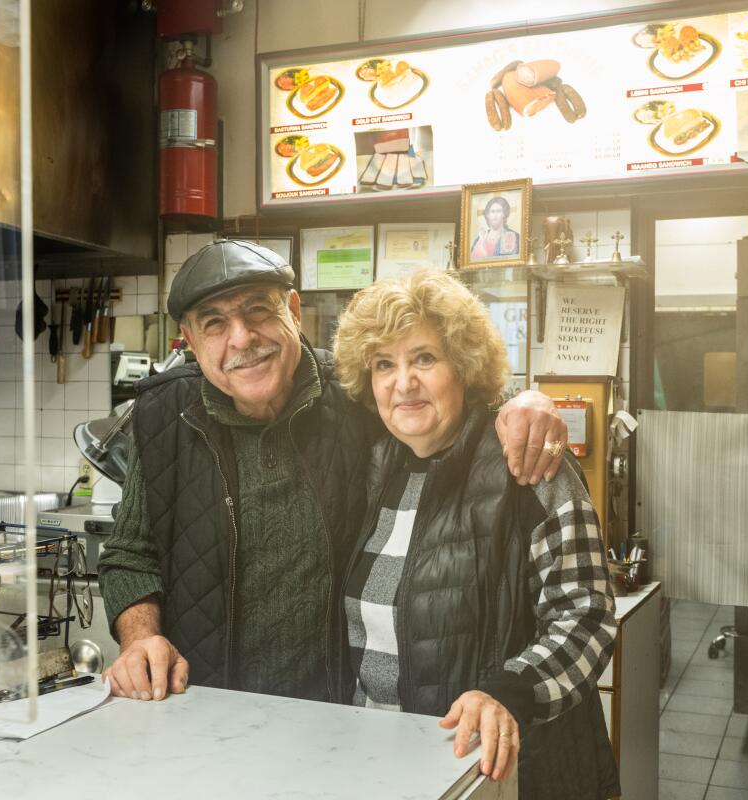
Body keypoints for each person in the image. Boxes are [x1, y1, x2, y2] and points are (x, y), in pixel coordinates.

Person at [98, 240, 571, 704]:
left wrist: (522, 403)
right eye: (214, 324)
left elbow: (442, 402)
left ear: (294, 311)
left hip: (334, 715)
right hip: (200, 706)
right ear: (191, 340)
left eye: (258, 311)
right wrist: (139, 638)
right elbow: (128, 554)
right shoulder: (164, 415)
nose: (241, 338)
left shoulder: (353, 395)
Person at [332, 270, 619, 798]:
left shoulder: (526, 463)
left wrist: (509, 693)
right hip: (386, 763)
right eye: (384, 365)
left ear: (464, 366)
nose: (404, 382)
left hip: (505, 770)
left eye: (424, 358)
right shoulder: (372, 468)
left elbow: (587, 614)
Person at [469, 195, 520, 260]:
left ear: (504, 214)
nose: (495, 215)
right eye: (492, 211)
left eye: (498, 211)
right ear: (487, 215)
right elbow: (472, 261)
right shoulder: (479, 239)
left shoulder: (513, 236)